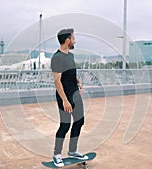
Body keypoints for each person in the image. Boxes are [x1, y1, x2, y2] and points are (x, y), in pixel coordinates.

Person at [51, 28, 88, 167]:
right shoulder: (57, 58)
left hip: (75, 95)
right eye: (73, 38)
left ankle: (72, 151)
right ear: (67, 40)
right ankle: (57, 154)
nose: (75, 40)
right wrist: (65, 100)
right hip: (64, 98)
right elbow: (57, 81)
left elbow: (70, 73)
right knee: (65, 125)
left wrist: (78, 81)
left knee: (79, 121)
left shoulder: (70, 56)